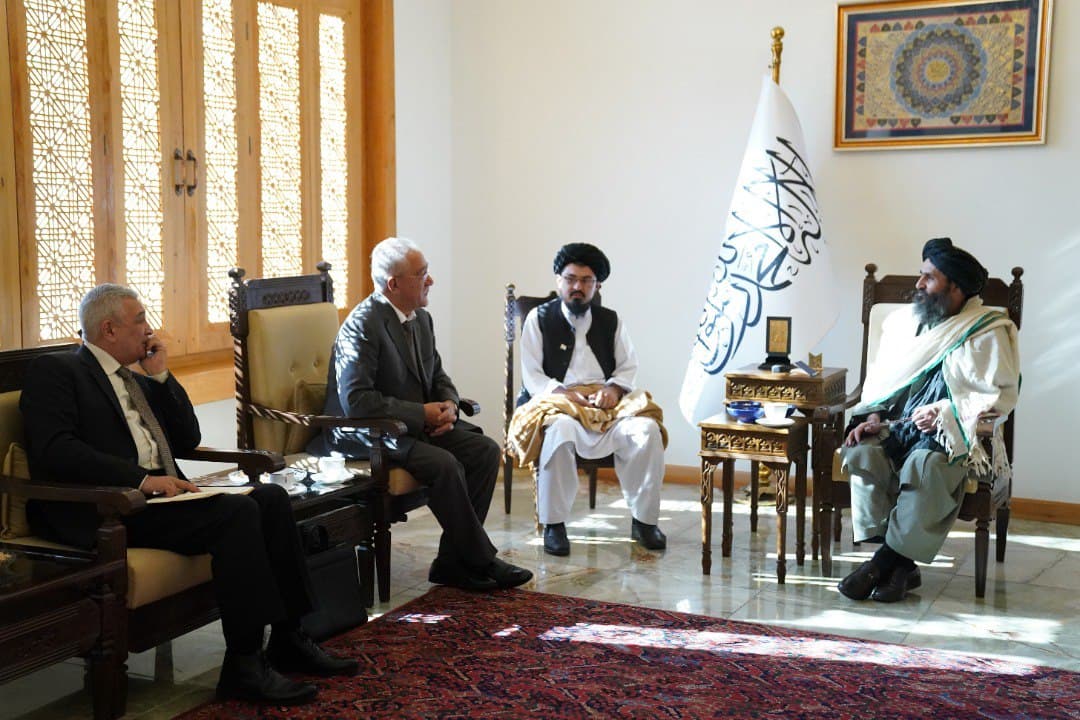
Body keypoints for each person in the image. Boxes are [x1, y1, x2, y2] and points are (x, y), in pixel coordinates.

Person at [20, 284, 356, 705]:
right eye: (140, 319)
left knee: (270, 499)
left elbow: (186, 438)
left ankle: (290, 636)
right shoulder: (58, 371)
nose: (149, 329)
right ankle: (245, 664)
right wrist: (140, 480)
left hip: (162, 499)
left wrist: (161, 375)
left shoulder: (134, 376)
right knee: (237, 515)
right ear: (108, 329)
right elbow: (56, 449)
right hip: (108, 507)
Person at [308, 237, 532, 592]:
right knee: (444, 464)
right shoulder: (362, 324)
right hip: (364, 432)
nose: (431, 281)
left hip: (407, 427)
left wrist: (449, 406)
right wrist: (421, 414)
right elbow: (356, 401)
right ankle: (481, 559)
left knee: (485, 451)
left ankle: (451, 563)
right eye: (421, 274)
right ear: (393, 284)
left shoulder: (421, 319)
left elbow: (438, 376)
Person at [837, 238, 1020, 603]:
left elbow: (999, 397)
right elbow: (884, 385)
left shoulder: (987, 330)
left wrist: (945, 413)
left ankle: (881, 565)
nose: (918, 284)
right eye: (921, 275)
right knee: (862, 452)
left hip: (952, 433)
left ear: (956, 287)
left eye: (929, 278)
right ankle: (901, 567)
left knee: (927, 465)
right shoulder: (905, 324)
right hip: (898, 424)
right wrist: (872, 416)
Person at [514, 243, 667, 557]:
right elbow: (532, 375)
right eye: (571, 279)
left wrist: (613, 389)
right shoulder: (538, 319)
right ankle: (554, 525)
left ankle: (644, 522)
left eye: (586, 281)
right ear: (559, 281)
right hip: (559, 402)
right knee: (559, 432)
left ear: (597, 286)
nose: (577, 287)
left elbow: (628, 366)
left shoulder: (611, 320)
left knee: (647, 431)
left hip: (607, 405)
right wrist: (565, 395)